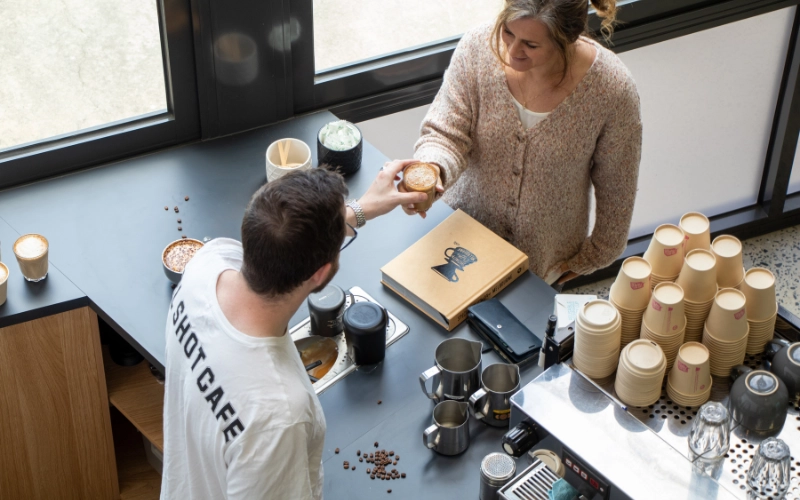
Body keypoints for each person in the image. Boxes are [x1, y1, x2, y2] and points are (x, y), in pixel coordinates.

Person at [160, 160, 426, 500]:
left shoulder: (205, 266)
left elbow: (283, 242)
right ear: (319, 275)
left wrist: (359, 210)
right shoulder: (279, 417)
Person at [405, 0, 642, 285]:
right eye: (507, 32)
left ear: (566, 38)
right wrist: (431, 171)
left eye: (530, 44)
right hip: (459, 236)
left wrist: (596, 256)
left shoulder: (612, 89)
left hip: (541, 263)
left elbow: (618, 186)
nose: (513, 51)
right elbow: (445, 133)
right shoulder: (477, 48)